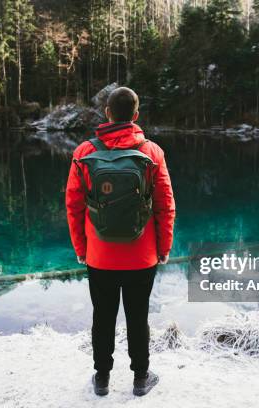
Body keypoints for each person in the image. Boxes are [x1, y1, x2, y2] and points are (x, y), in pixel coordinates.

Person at [65, 87, 176, 397]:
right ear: (136, 116)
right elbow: (165, 206)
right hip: (142, 256)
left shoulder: (84, 153)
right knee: (137, 315)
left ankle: (102, 378)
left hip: (99, 255)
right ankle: (141, 377)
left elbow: (73, 206)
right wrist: (164, 247)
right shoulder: (152, 152)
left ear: (107, 114)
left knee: (103, 315)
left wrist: (81, 248)